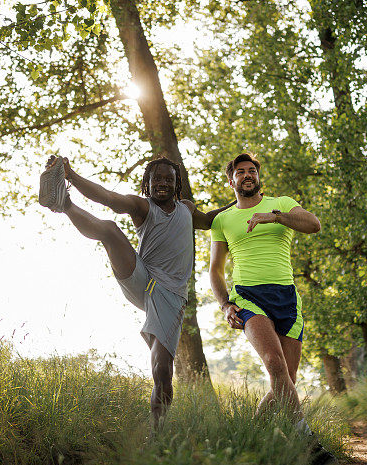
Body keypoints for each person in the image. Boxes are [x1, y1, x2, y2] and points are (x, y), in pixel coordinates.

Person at [39, 155, 232, 427]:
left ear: (177, 185)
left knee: (162, 369)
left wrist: (242, 199)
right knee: (109, 230)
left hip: (170, 295)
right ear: (147, 183)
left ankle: (158, 432)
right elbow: (107, 197)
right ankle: (64, 202)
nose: (162, 183)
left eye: (169, 179)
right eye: (157, 179)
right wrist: (70, 175)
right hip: (140, 278)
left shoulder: (186, 209)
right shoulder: (141, 206)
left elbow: (211, 219)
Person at [208, 152, 337, 465]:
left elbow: (314, 224)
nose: (247, 175)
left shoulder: (282, 203)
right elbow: (215, 270)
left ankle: (247, 435)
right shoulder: (222, 220)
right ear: (231, 181)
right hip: (249, 297)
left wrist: (276, 216)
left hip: (287, 297)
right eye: (240, 172)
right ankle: (309, 444)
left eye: (251, 170)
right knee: (273, 363)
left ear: (257, 177)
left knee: (286, 379)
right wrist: (225, 304)